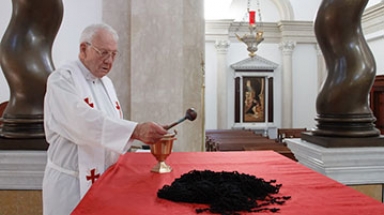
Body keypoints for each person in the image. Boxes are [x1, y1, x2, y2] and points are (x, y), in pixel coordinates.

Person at [42, 23, 168, 215]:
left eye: (114, 54)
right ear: (83, 49)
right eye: (103, 53)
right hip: (70, 186)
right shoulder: (62, 79)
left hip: (103, 182)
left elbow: (110, 126)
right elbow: (82, 123)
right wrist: (135, 130)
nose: (109, 61)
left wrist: (140, 135)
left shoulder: (106, 84)